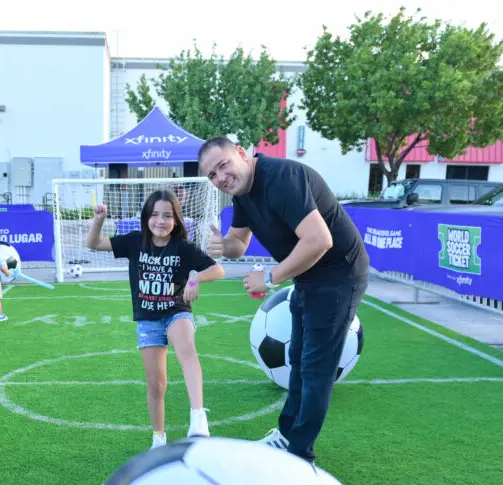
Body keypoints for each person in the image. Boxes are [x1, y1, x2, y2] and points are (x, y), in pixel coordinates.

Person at [198, 137, 370, 464]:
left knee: (316, 369)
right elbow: (239, 242)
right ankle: (288, 434)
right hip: (309, 276)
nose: (220, 177)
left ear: (241, 154)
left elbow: (319, 240)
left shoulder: (281, 178)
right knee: (298, 359)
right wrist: (222, 247)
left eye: (223, 165)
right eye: (211, 175)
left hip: (338, 275)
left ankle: (299, 456)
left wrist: (269, 277)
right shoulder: (243, 194)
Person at [85, 189, 226, 448]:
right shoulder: (134, 242)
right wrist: (98, 220)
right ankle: (158, 439)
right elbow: (93, 244)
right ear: (146, 217)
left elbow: (218, 269)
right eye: (155, 215)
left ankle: (198, 418)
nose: (160, 221)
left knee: (187, 349)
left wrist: (195, 278)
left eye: (167, 216)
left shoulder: (183, 247)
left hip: (176, 311)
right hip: (148, 319)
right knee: (156, 383)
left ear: (176, 220)